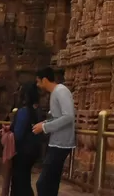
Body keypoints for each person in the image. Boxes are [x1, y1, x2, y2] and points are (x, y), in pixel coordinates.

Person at [32, 67, 75, 196]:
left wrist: (45, 127)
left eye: (38, 81)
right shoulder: (55, 92)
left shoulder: (61, 91)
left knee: (43, 183)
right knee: (51, 181)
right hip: (56, 142)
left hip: (61, 143)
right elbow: (57, 117)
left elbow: (68, 116)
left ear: (44, 80)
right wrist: (44, 123)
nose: (37, 85)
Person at [9, 83, 41, 196]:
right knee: (24, 179)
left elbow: (18, 134)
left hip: (22, 151)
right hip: (32, 150)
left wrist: (9, 133)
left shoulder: (23, 111)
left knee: (19, 181)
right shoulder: (36, 110)